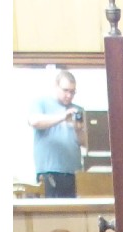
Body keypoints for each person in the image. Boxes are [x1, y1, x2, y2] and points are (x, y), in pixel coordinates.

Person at [29, 70, 83, 198]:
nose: (69, 95)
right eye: (65, 90)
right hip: (49, 172)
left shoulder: (77, 110)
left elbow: (84, 143)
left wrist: (78, 129)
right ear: (55, 86)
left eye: (72, 92)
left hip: (73, 173)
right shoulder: (41, 103)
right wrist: (63, 117)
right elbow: (34, 121)